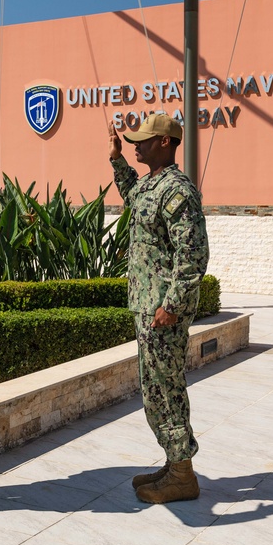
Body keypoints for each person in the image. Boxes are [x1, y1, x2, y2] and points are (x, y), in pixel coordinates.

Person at [107, 113, 210, 504]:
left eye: (144, 140)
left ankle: (182, 474)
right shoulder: (152, 184)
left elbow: (193, 253)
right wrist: (116, 158)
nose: (137, 145)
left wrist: (172, 304)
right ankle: (174, 462)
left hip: (162, 310)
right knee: (156, 387)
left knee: (164, 388)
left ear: (166, 142)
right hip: (148, 304)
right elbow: (132, 194)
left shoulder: (177, 189)